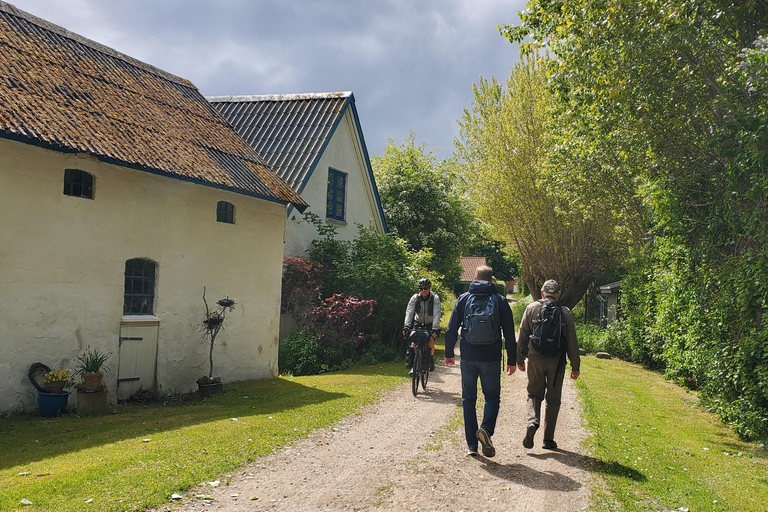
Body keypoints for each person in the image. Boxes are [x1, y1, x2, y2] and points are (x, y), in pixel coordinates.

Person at [444, 265, 516, 457]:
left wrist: (449, 353)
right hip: (491, 357)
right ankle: (485, 429)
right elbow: (509, 333)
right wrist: (512, 359)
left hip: (468, 356)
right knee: (492, 397)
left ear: (475, 279)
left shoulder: (464, 299)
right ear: (492, 280)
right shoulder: (500, 301)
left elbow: (451, 329)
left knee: (469, 399)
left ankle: (471, 446)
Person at [516, 279, 580, 450]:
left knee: (534, 395)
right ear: (558, 294)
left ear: (542, 292)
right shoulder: (565, 312)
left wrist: (519, 358)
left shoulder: (531, 308)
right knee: (553, 400)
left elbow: (523, 334)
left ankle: (532, 422)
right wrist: (575, 366)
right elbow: (572, 342)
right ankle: (548, 439)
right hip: (556, 361)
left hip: (535, 359)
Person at [403, 278, 441, 372]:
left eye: (426, 288)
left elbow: (437, 313)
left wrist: (435, 328)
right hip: (418, 322)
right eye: (421, 288)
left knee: (430, 341)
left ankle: (430, 359)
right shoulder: (415, 298)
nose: (423, 290)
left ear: (429, 288)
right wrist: (407, 326)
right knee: (414, 342)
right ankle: (414, 366)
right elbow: (409, 312)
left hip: (430, 323)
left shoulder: (434, 298)